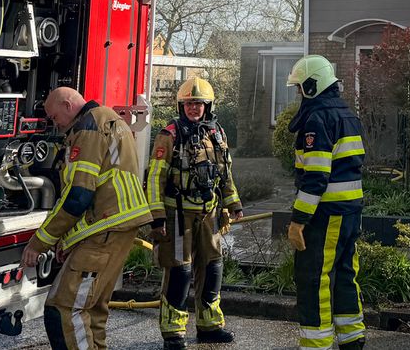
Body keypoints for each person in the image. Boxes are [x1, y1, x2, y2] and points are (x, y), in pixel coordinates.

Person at [20, 87, 152, 350]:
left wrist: (39, 243)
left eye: (55, 117)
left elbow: (79, 195)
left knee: (64, 308)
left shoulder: (90, 127)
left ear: (68, 105)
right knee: (92, 310)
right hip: (116, 226)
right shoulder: (109, 119)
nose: (55, 125)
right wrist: (69, 240)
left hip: (106, 227)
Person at [145, 77, 244, 349]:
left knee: (213, 268)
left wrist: (233, 203)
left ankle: (209, 326)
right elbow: (154, 178)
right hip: (178, 217)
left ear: (207, 106)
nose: (193, 108)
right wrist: (157, 216)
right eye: (189, 104)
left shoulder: (217, 133)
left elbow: (225, 173)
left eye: (198, 104)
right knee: (180, 272)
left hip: (210, 215)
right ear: (181, 106)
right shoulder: (169, 135)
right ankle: (173, 333)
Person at [285, 55, 366, 350]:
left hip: (326, 213)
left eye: (299, 87)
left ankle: (315, 344)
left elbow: (316, 177)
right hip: (350, 212)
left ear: (311, 86)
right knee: (345, 273)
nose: (298, 93)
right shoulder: (347, 114)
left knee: (313, 277)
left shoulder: (317, 119)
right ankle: (352, 338)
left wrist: (298, 220)